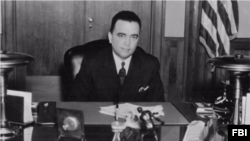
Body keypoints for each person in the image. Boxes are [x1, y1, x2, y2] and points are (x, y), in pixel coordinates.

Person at [68, 10, 164, 102]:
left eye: (133, 37)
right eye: (121, 35)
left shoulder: (150, 65)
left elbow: (158, 106)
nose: (128, 43)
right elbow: (75, 103)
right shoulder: (92, 62)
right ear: (110, 37)